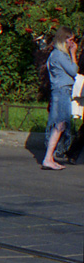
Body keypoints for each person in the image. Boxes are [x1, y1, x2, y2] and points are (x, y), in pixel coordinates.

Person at [41, 26, 79, 170]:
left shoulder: (55, 54)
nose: (72, 43)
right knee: (60, 124)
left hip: (60, 91)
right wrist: (73, 54)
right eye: (70, 40)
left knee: (59, 125)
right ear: (64, 40)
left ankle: (49, 157)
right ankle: (48, 157)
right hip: (62, 91)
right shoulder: (60, 55)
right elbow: (73, 71)